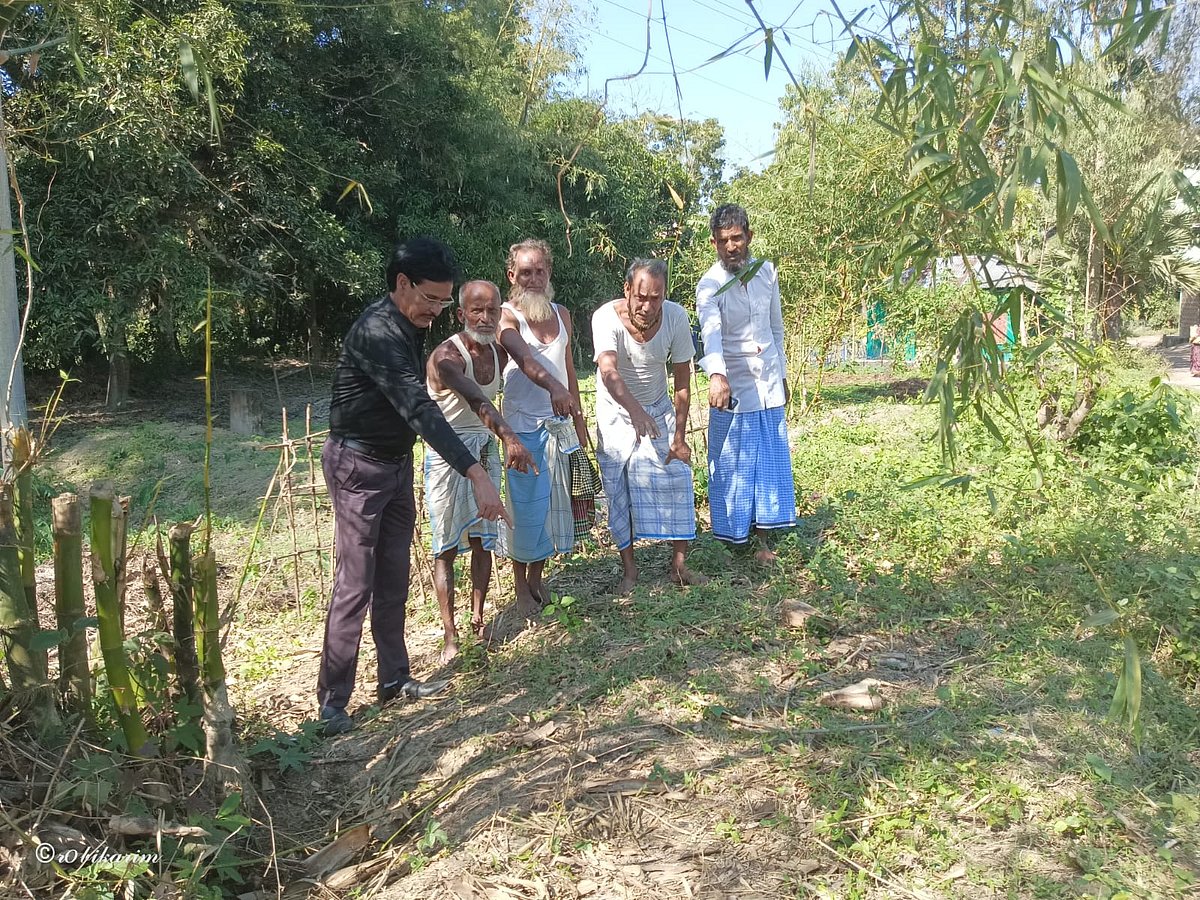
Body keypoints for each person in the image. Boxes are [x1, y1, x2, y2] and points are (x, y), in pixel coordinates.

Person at [318, 237, 509, 736]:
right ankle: (333, 703)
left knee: (394, 576)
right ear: (402, 284)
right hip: (358, 467)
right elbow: (418, 407)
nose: (438, 310)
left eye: (445, 301)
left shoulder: (409, 322)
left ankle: (392, 679)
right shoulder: (378, 332)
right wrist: (476, 471)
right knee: (355, 582)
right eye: (432, 299)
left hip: (396, 463)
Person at [424, 280, 576, 663]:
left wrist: (559, 388)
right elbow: (477, 399)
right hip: (447, 453)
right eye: (477, 310)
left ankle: (477, 620)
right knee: (445, 548)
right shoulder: (447, 357)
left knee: (483, 539)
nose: (486, 317)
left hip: (484, 448)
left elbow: (529, 363)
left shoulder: (498, 348)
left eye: (492, 310)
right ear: (461, 314)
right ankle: (449, 635)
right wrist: (510, 436)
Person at [593, 259, 710, 592]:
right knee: (618, 489)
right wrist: (634, 412)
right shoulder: (605, 318)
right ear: (627, 289)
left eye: (655, 298)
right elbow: (608, 371)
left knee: (678, 477)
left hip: (659, 407)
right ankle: (630, 573)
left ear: (664, 295)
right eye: (640, 297)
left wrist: (680, 435)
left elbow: (683, 378)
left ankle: (679, 567)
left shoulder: (676, 317)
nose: (647, 306)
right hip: (616, 411)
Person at [696, 204, 796, 562]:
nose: (731, 247)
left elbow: (776, 328)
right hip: (733, 386)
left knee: (768, 457)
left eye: (737, 238)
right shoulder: (710, 284)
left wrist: (781, 375)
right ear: (714, 243)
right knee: (732, 463)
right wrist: (717, 376)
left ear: (749, 237)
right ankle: (732, 540)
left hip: (768, 381)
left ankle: (765, 536)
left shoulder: (767, 272)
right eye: (724, 241)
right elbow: (710, 333)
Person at [498, 238, 589, 614]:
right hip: (522, 431)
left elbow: (568, 373)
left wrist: (581, 423)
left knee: (553, 509)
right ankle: (520, 587)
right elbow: (521, 359)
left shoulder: (562, 313)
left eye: (540, 271)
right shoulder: (505, 316)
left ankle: (537, 578)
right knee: (525, 511)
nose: (533, 278)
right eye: (526, 272)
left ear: (549, 273)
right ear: (512, 275)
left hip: (560, 428)